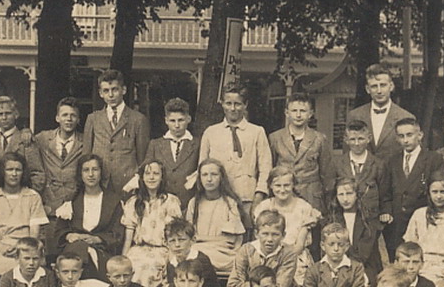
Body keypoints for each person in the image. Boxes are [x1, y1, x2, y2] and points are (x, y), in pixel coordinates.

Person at [199, 82, 272, 221]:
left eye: (237, 104)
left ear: (245, 105)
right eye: (228, 103)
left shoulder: (257, 132)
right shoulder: (211, 132)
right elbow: (202, 166)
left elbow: (265, 167)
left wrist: (259, 196)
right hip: (218, 197)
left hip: (247, 198)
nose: (232, 108)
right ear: (222, 104)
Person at [54, 153, 124, 282]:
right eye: (86, 170)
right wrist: (70, 236)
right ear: (80, 174)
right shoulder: (72, 200)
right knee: (78, 251)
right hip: (74, 251)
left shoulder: (113, 200)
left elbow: (118, 233)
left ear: (101, 173)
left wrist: (97, 239)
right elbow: (60, 230)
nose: (91, 174)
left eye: (95, 169)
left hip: (102, 251)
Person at [0, 152, 49, 274]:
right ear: (2, 172)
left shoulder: (33, 196)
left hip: (26, 245)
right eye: (9, 169)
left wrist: (20, 247)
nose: (14, 174)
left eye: (18, 170)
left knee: (29, 259)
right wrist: (1, 246)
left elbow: (34, 233)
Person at [334, 120, 391, 268]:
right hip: (346, 216)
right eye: (352, 139)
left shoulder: (378, 164)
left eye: (360, 139)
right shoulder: (338, 163)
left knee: (370, 258)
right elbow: (332, 192)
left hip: (369, 222)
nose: (357, 143)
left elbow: (385, 193)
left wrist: (385, 212)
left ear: (368, 138)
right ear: (346, 140)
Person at [82, 69, 149, 196]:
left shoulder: (138, 119)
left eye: (115, 89)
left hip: (127, 185)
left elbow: (143, 158)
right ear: (100, 93)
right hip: (100, 183)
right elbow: (86, 155)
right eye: (106, 91)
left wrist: (136, 181)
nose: (111, 95)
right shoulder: (93, 119)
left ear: (123, 90)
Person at [384, 117, 444, 255]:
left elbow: (438, 188)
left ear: (420, 135)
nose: (405, 140)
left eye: (409, 135)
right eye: (401, 136)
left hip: (422, 220)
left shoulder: (433, 159)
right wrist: (387, 211)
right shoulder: (392, 161)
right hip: (396, 223)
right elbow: (385, 192)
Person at [252, 166, 322, 287]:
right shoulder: (264, 207)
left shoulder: (303, 208)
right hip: (268, 255)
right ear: (271, 186)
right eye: (278, 186)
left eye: (287, 185)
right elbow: (261, 241)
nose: (282, 190)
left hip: (295, 257)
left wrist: (284, 261)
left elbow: (299, 246)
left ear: (293, 185)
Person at [268, 92, 335, 213]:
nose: (298, 115)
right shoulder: (275, 138)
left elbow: (327, 174)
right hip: (284, 195)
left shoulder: (319, 139)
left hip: (311, 196)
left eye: (303, 111)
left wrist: (328, 201)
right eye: (294, 111)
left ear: (310, 113)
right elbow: (270, 170)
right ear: (286, 113)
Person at [121, 160, 182, 287]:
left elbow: (173, 233)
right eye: (147, 174)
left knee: (146, 267)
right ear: (142, 177)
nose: (151, 177)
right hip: (138, 249)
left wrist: (172, 259)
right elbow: (129, 236)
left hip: (162, 250)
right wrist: (123, 258)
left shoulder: (170, 201)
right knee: (128, 267)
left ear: (162, 177)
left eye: (156, 173)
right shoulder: (134, 201)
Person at [159, 218, 230, 287]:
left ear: (193, 240)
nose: (177, 245)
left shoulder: (201, 260)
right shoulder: (172, 263)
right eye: (172, 241)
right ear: (166, 243)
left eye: (182, 240)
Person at [402, 171, 444, 287]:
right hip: (420, 268)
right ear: (429, 192)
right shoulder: (419, 214)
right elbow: (409, 247)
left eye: (443, 192)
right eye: (435, 192)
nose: (439, 196)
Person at [185, 158, 247, 275]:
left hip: (223, 253)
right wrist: (214, 240)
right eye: (204, 175)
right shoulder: (194, 203)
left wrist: (200, 238)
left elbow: (229, 241)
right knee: (192, 253)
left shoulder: (230, 203)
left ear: (221, 177)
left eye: (214, 174)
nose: (209, 179)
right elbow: (190, 236)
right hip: (199, 248)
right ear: (199, 178)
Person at [227, 209, 299, 287]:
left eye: (275, 234)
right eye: (265, 234)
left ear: (283, 235)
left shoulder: (288, 254)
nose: (269, 239)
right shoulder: (246, 250)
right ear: (256, 234)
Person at [346, 63, 414, 163]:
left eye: (383, 85)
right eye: (374, 86)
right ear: (367, 89)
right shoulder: (355, 116)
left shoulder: (405, 117)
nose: (379, 91)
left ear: (391, 86)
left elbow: (411, 155)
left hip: (392, 172)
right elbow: (347, 154)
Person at [139, 97, 199, 208]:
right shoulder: (155, 145)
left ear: (188, 119)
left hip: (188, 204)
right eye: (172, 121)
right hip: (162, 205)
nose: (177, 125)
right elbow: (146, 172)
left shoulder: (197, 144)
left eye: (181, 120)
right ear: (166, 120)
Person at [0, 95, 45, 196]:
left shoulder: (26, 141)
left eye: (8, 113)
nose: (4, 117)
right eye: (0, 114)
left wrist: (27, 196)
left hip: (18, 198)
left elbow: (37, 174)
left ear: (16, 114)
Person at [34, 97, 85, 217]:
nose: (69, 119)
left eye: (73, 115)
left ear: (78, 119)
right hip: (48, 203)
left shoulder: (85, 141)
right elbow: (27, 144)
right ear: (57, 118)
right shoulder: (43, 138)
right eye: (64, 115)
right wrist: (26, 131)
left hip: (73, 204)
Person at [328, 177, 383, 277]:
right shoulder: (333, 219)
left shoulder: (368, 219)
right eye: (341, 194)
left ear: (357, 195)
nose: (345, 199)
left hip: (366, 267)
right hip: (338, 266)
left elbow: (363, 254)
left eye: (349, 193)